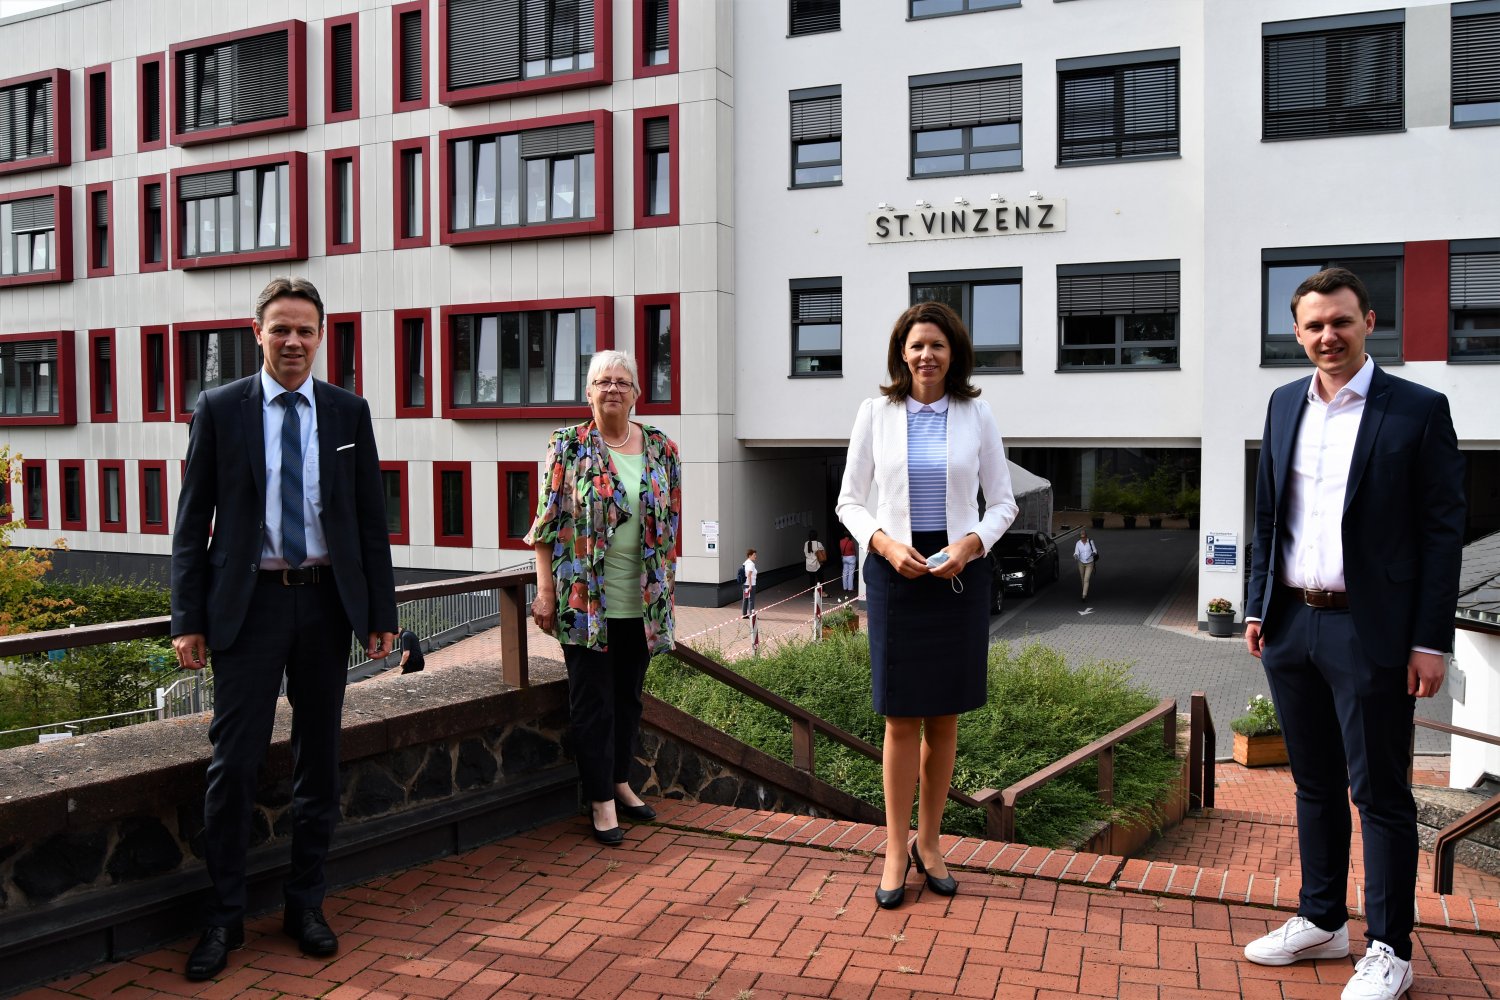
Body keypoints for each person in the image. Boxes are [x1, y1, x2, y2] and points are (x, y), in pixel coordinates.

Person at [1241, 268, 1465, 1000]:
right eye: (1313, 326)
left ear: (1368, 321)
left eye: (1341, 322)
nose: (1327, 337)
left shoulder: (1418, 410)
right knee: (1311, 784)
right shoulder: (1282, 405)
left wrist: (1430, 640)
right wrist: (1255, 607)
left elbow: (1441, 535)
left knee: (1381, 794)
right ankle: (1322, 919)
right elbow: (1268, 517)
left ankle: (1391, 949)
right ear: (1297, 333)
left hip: (1372, 633)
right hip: (1291, 624)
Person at [171, 277, 397, 981]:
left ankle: (306, 904)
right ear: (257, 332)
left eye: (305, 330)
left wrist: (380, 614)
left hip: (327, 604)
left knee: (318, 760)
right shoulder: (220, 409)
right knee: (233, 764)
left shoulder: (347, 412)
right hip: (249, 607)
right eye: (281, 329)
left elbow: (368, 520)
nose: (293, 341)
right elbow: (190, 524)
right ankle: (224, 916)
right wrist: (188, 619)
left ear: (320, 335)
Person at [836, 300, 1017, 909]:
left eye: (937, 345)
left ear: (953, 353)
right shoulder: (876, 413)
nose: (926, 355)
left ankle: (931, 842)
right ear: (901, 353)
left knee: (944, 717)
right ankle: (894, 847)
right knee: (899, 718)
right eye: (916, 345)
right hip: (895, 574)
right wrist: (883, 544)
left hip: (958, 577)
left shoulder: (977, 414)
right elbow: (849, 502)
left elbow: (1004, 504)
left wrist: (972, 543)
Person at [528, 350, 682, 847]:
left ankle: (619, 781)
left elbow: (671, 521)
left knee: (629, 700)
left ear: (637, 392)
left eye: (622, 381)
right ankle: (599, 801)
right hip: (584, 602)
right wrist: (545, 590)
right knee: (592, 702)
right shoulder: (567, 446)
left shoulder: (662, 449)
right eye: (602, 381)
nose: (612, 388)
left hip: (643, 601)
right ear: (588, 391)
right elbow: (545, 525)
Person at [1073, 529, 1098, 602]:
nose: (1083, 539)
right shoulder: (1078, 543)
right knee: (1082, 578)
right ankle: (1085, 589)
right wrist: (1076, 555)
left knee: (1086, 579)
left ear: (1086, 537)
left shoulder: (1090, 541)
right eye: (1081, 537)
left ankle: (1084, 595)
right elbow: (1076, 552)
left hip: (1089, 563)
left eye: (1084, 537)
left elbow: (1095, 550)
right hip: (1081, 562)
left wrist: (1093, 553)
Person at [740, 549, 758, 618]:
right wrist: (750, 585)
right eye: (754, 555)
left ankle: (744, 614)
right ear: (750, 555)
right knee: (751, 600)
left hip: (745, 584)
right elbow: (749, 575)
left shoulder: (745, 563)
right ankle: (752, 615)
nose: (755, 556)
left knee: (746, 599)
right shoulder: (751, 564)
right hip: (751, 584)